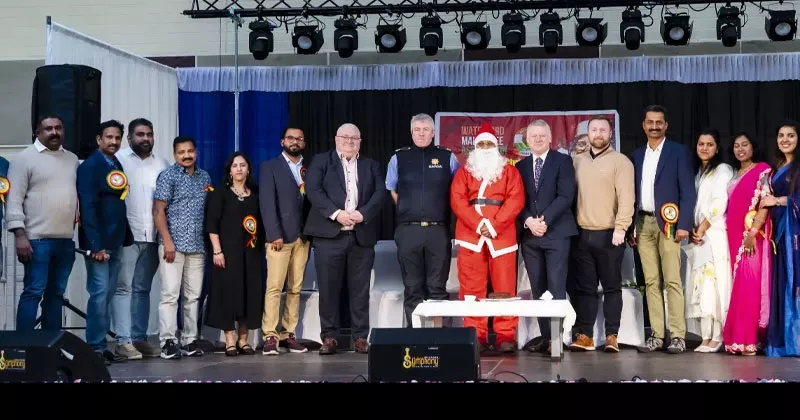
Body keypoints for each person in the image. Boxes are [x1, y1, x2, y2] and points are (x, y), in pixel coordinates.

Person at [303, 123, 387, 355]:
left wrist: (363, 214)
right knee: (328, 290)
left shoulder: (371, 165)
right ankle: (329, 337)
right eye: (345, 137)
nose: (349, 141)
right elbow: (313, 190)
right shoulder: (322, 161)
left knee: (360, 291)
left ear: (360, 142)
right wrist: (337, 214)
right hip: (329, 236)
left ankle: (360, 337)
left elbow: (380, 193)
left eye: (354, 138)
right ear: (336, 139)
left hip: (361, 236)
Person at [451, 122, 524, 353]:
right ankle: (475, 334)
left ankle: (505, 336)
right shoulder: (464, 172)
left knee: (504, 287)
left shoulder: (510, 171)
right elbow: (457, 201)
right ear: (474, 147)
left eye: (488, 144)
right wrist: (479, 224)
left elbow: (515, 200)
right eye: (480, 144)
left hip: (501, 234)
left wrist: (493, 225)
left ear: (496, 147)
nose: (484, 148)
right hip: (471, 234)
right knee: (471, 287)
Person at [629, 105, 696, 354]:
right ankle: (657, 335)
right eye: (650, 122)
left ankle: (677, 335)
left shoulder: (678, 152)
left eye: (659, 122)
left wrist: (684, 225)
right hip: (642, 224)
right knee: (651, 282)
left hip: (670, 225)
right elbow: (631, 194)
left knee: (672, 281)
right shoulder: (636, 155)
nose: (654, 126)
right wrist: (631, 229)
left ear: (666, 125)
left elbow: (688, 191)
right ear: (643, 125)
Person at [568, 116, 634, 353]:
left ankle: (611, 336)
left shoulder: (621, 162)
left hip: (610, 235)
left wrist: (621, 228)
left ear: (610, 134)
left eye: (603, 130)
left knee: (611, 288)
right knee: (585, 289)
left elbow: (627, 198)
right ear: (588, 134)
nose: (598, 134)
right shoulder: (577, 161)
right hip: (582, 234)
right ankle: (585, 336)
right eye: (594, 130)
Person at [386, 113, 459, 327]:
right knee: (412, 287)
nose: (421, 133)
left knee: (437, 288)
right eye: (417, 130)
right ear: (411, 133)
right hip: (408, 231)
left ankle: (439, 335)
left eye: (425, 129)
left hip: (438, 231)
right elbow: (391, 188)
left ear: (433, 132)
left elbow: (458, 189)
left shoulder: (447, 157)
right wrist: (407, 209)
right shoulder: (398, 158)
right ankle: (415, 335)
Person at [7, 115, 79, 331]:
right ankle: (24, 345)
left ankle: (50, 345)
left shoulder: (72, 159)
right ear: (37, 133)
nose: (54, 132)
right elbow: (14, 199)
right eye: (48, 129)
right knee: (33, 292)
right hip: (35, 241)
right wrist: (20, 235)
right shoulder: (23, 159)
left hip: (65, 241)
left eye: (58, 128)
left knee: (56, 295)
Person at [516, 120, 577, 354]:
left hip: (557, 233)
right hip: (530, 236)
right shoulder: (520, 166)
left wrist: (543, 221)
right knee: (538, 286)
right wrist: (529, 221)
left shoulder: (563, 161)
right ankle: (545, 336)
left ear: (550, 138)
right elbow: (516, 200)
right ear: (527, 140)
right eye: (534, 136)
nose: (538, 139)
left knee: (556, 285)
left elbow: (566, 196)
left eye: (542, 135)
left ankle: (558, 338)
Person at [77, 120, 134, 364]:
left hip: (116, 239)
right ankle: (94, 348)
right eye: (109, 137)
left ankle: (100, 344)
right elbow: (88, 207)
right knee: (99, 295)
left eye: (117, 137)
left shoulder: (115, 163)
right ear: (99, 139)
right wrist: (95, 245)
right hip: (99, 243)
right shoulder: (90, 166)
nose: (114, 141)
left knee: (108, 295)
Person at [112, 118, 169, 360]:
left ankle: (138, 338)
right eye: (140, 134)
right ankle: (122, 342)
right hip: (127, 235)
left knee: (142, 289)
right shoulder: (118, 160)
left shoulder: (163, 163)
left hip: (152, 236)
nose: (146, 139)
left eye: (149, 134)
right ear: (129, 138)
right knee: (123, 288)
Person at [153, 136, 212, 359]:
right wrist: (167, 241)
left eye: (190, 151)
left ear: (196, 152)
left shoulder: (204, 176)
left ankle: (189, 340)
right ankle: (168, 341)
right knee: (170, 295)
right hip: (173, 246)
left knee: (193, 296)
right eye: (181, 152)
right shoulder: (168, 176)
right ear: (175, 154)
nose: (186, 156)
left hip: (197, 246)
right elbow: (158, 211)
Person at [259, 127, 312, 355]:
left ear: (304, 143)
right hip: (279, 238)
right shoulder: (270, 167)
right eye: (290, 138)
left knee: (295, 288)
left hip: (303, 237)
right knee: (274, 287)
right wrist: (274, 234)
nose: (295, 141)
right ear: (282, 141)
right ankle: (270, 335)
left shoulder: (309, 169)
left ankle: (288, 333)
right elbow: (267, 203)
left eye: (299, 138)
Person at [205, 152, 264, 357]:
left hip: (251, 253)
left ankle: (243, 340)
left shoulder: (256, 193)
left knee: (249, 293)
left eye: (243, 165)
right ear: (229, 171)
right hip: (227, 253)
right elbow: (212, 224)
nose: (239, 169)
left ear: (248, 169)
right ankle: (229, 340)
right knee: (228, 295)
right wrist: (217, 250)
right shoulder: (220, 193)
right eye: (235, 165)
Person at [682, 128, 734, 353]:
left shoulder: (723, 170)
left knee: (715, 284)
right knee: (699, 286)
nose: (704, 148)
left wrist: (703, 227)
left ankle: (718, 335)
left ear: (717, 148)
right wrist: (693, 229)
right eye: (701, 144)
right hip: (698, 236)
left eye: (709, 144)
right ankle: (705, 336)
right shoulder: (698, 173)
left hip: (714, 234)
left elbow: (719, 202)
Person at [723, 133, 772, 355]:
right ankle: (737, 339)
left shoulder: (762, 170)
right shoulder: (734, 175)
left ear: (753, 147)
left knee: (750, 286)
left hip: (752, 236)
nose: (740, 149)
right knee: (738, 288)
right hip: (732, 236)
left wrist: (752, 232)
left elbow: (765, 202)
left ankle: (749, 339)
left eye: (745, 144)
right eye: (736, 146)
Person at [761, 121, 800, 357]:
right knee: (782, 282)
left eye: (791, 135)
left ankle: (796, 342)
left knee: (795, 281)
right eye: (781, 135)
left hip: (794, 236)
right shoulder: (777, 169)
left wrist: (776, 200)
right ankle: (783, 342)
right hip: (778, 235)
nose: (785, 139)